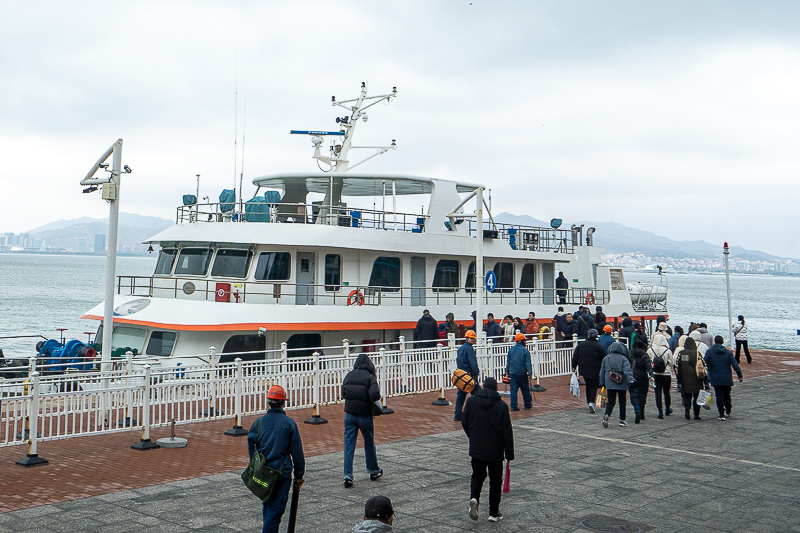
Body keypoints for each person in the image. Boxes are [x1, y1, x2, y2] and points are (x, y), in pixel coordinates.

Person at [247, 385, 305, 533]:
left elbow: (251, 442)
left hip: (264, 472)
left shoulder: (259, 422)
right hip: (281, 473)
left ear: (268, 402)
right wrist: (299, 475)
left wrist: (254, 462)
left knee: (267, 506)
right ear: (283, 403)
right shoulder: (289, 423)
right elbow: (297, 453)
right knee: (275, 512)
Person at [461, 377, 514, 523]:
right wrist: (509, 453)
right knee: (495, 481)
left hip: (477, 446)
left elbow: (464, 421)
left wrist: (472, 435)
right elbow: (507, 431)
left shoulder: (471, 401)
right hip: (496, 451)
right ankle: (493, 512)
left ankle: (474, 498)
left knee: (477, 475)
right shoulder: (501, 406)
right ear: (496, 388)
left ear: (483, 386)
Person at [342, 354, 383, 488]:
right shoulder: (369, 377)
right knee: (369, 443)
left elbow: (343, 393)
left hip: (350, 415)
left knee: (349, 445)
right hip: (365, 415)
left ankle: (348, 475)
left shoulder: (349, 375)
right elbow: (374, 395)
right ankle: (373, 470)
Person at [704, 335, 743, 421]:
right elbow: (735, 365)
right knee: (727, 395)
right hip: (727, 378)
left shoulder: (710, 351)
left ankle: (721, 413)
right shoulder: (728, 352)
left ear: (714, 341)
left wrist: (708, 373)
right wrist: (740, 376)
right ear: (723, 342)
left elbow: (705, 362)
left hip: (716, 377)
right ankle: (728, 409)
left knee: (719, 396)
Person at [598, 342, 634, 428]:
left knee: (611, 401)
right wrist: (631, 380)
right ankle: (622, 420)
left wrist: (602, 382)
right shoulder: (624, 359)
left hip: (609, 382)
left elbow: (602, 372)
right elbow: (627, 371)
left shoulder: (606, 358)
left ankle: (607, 415)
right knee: (622, 401)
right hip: (621, 382)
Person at [571, 328, 606, 413]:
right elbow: (604, 358)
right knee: (593, 386)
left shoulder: (581, 345)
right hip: (595, 369)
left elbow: (575, 356)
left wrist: (574, 366)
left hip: (584, 368)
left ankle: (588, 403)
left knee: (588, 385)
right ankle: (591, 403)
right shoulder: (599, 346)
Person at [676, 337, 705, 421]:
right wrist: (705, 381)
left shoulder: (682, 353)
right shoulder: (697, 353)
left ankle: (687, 409)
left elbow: (678, 367)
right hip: (696, 379)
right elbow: (703, 366)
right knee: (696, 396)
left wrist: (679, 380)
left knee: (687, 396)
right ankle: (696, 415)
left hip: (685, 379)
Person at [454, 330, 480, 421]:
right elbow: (473, 363)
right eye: (472, 338)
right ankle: (479, 413)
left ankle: (457, 414)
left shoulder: (461, 348)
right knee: (478, 395)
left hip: (462, 375)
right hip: (470, 375)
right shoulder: (469, 349)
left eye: (474, 339)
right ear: (467, 338)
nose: (473, 340)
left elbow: (458, 361)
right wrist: (476, 373)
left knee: (461, 395)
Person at [648, 332, 675, 419]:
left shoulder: (650, 350)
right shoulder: (668, 350)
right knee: (667, 392)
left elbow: (648, 361)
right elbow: (671, 363)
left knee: (658, 393)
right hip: (666, 374)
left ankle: (660, 411)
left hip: (655, 374)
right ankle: (667, 409)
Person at [505, 332, 532, 411]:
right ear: (522, 341)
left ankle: (514, 406)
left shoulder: (511, 350)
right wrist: (530, 372)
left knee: (513, 390)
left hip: (513, 373)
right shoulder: (525, 351)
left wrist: (507, 371)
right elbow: (528, 363)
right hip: (522, 373)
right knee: (525, 390)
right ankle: (527, 404)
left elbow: (508, 362)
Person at [629, 337, 653, 424]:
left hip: (632, 376)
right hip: (643, 377)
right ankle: (642, 413)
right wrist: (651, 375)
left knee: (634, 395)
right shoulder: (645, 355)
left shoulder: (630, 354)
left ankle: (637, 409)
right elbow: (649, 366)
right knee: (643, 394)